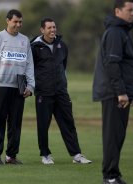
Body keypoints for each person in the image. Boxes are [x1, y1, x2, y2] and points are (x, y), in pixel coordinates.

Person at [30, 18, 92, 165]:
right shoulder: (34, 47)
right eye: (49, 28)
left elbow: (63, 67)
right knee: (43, 125)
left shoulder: (62, 45)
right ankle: (45, 155)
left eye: (54, 27)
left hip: (61, 92)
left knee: (68, 123)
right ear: (42, 30)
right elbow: (29, 69)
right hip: (43, 93)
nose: (53, 30)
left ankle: (77, 155)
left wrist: (62, 84)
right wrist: (31, 87)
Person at [92, 0, 133, 183]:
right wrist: (121, 92)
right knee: (112, 136)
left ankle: (114, 174)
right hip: (114, 94)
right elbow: (112, 64)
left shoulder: (122, 32)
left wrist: (131, 94)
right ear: (118, 11)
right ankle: (109, 177)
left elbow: (128, 66)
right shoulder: (114, 33)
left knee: (118, 136)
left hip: (120, 93)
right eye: (130, 10)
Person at [0, 9, 35, 165]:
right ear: (7, 21)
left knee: (15, 123)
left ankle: (11, 156)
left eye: (20, 22)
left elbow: (29, 65)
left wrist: (31, 86)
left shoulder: (25, 40)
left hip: (18, 88)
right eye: (15, 21)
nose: (18, 25)